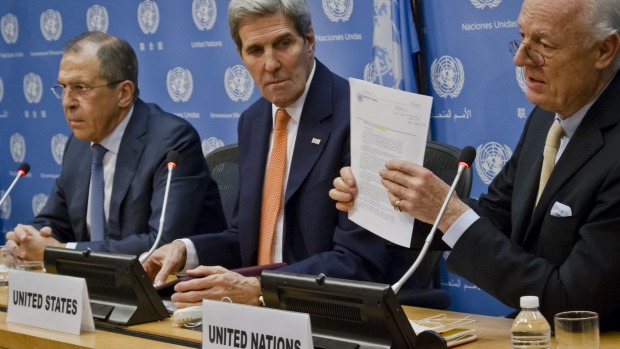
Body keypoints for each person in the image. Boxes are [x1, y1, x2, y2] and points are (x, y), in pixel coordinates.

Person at [330, 0, 620, 330]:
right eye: (522, 37)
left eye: (544, 45)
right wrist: (386, 199)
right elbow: (497, 215)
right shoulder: (547, 114)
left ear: (604, 50)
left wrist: (451, 213)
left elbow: (571, 303)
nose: (520, 59)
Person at [142, 0, 391, 307]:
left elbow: (359, 261)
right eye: (255, 50)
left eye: (283, 43)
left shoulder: (366, 117)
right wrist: (186, 250)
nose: (270, 64)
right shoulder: (254, 120)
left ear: (309, 40)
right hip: (257, 316)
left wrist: (260, 289)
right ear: (240, 54)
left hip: (332, 310)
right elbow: (251, 240)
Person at [5, 32, 227, 260]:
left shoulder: (172, 142)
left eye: (80, 87)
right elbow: (54, 223)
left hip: (170, 289)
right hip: (94, 287)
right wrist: (26, 240)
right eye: (63, 87)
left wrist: (62, 252)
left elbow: (161, 242)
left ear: (124, 93)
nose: (66, 102)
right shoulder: (78, 145)